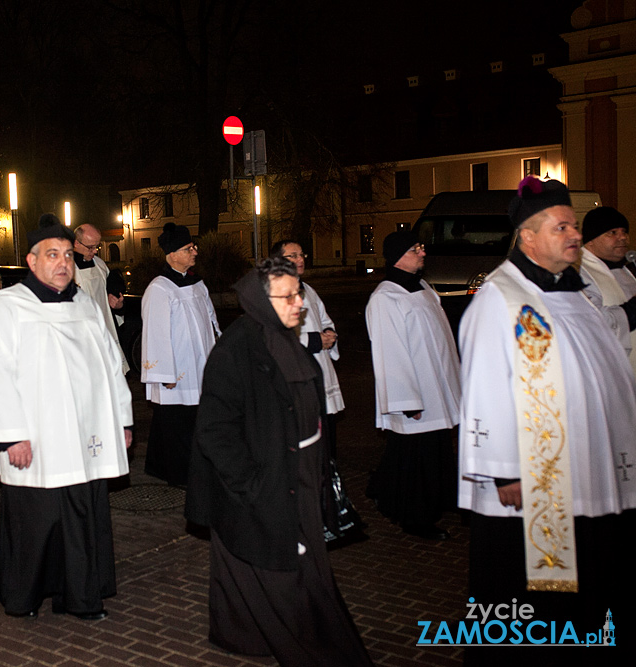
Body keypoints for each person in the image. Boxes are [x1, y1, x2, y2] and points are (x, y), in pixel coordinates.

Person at [459, 177, 636, 666]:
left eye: (574, 226)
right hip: (535, 484)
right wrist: (506, 469)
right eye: (562, 227)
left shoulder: (574, 293)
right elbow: (485, 380)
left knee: (584, 581)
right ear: (528, 237)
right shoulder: (502, 297)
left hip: (586, 466)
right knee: (533, 587)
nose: (574, 235)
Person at [186, 257, 372, 666]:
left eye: (299, 293)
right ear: (260, 300)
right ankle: (315, 649)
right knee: (283, 570)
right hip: (265, 480)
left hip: (300, 473)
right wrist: (253, 485)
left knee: (275, 565)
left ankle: (244, 633)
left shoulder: (286, 338)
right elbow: (215, 431)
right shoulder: (234, 350)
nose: (298, 304)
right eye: (287, 296)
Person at [0, 213, 132, 620]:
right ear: (31, 261)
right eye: (51, 254)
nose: (62, 262)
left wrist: (122, 420)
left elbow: (112, 365)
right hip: (36, 441)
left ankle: (80, 597)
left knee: (82, 521)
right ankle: (24, 595)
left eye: (66, 254)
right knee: (37, 523)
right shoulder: (7, 307)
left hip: (86, 442)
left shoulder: (85, 306)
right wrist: (10, 437)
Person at [365, 230, 460, 540]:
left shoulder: (421, 287)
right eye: (415, 248)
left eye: (422, 245)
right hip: (416, 395)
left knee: (423, 454)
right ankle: (417, 518)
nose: (422, 252)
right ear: (397, 256)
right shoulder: (385, 297)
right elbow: (389, 352)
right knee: (416, 459)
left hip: (438, 388)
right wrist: (407, 401)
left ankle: (387, 492)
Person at [272, 239, 363, 545]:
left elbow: (324, 321)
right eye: (292, 255)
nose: (300, 259)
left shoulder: (309, 290)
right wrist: (315, 341)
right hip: (297, 385)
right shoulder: (274, 292)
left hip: (321, 376)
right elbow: (276, 339)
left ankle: (329, 511)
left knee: (327, 453)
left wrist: (329, 335)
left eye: (301, 254)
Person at [140, 222, 220, 486]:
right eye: (189, 248)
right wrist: (165, 372)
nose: (194, 252)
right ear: (172, 254)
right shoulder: (160, 289)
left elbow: (211, 320)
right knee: (175, 423)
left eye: (194, 247)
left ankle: (191, 467)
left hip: (201, 364)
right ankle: (177, 472)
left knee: (194, 420)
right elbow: (156, 332)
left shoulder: (197, 284)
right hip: (178, 370)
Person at [578, 206, 636, 376]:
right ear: (591, 240)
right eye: (612, 232)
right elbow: (594, 323)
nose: (623, 238)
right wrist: (632, 311)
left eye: (624, 231)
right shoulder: (580, 273)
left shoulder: (628, 270)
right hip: (609, 374)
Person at [73, 223, 129, 374]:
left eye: (97, 246)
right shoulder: (66, 269)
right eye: (90, 247)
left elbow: (111, 296)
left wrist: (117, 305)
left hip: (105, 331)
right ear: (76, 243)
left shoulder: (100, 265)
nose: (94, 251)